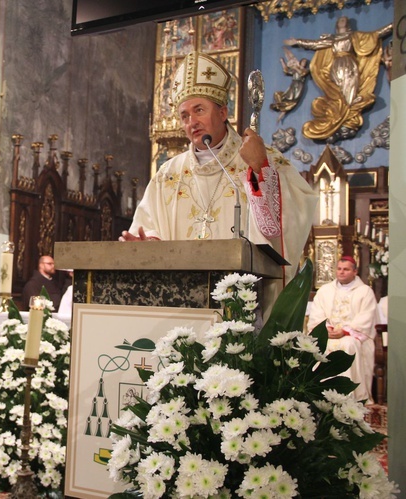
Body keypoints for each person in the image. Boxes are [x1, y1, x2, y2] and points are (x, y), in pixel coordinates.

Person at [121, 50, 317, 289]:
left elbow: (289, 218)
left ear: (223, 113)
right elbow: (149, 227)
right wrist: (150, 244)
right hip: (182, 294)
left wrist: (260, 169)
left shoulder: (260, 157)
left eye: (199, 110)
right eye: (184, 116)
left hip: (241, 299)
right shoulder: (168, 174)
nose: (191, 122)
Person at [285, 17, 392, 141]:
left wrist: (393, 25)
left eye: (344, 20)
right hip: (336, 66)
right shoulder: (332, 39)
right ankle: (340, 114)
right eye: (340, 20)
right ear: (337, 26)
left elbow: (377, 34)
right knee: (337, 92)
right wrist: (298, 41)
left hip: (349, 64)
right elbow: (315, 44)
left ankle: (346, 115)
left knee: (350, 89)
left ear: (348, 26)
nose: (342, 20)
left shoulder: (354, 36)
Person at [308, 256, 377, 403]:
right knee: (319, 345)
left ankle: (352, 396)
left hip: (353, 335)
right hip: (329, 334)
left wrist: (345, 331)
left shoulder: (365, 291)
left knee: (349, 345)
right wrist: (326, 329)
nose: (341, 272)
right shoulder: (325, 291)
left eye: (346, 269)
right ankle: (321, 394)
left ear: (355, 271)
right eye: (339, 269)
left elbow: (366, 317)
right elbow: (317, 314)